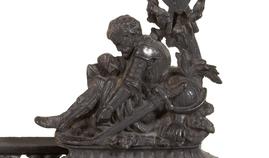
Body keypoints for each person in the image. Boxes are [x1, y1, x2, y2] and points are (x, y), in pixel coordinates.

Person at [35, 15, 170, 133]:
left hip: (144, 107)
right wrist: (107, 60)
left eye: (120, 44)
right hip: (140, 97)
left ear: (130, 36)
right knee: (95, 70)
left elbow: (130, 85)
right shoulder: (144, 44)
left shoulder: (144, 50)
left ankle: (66, 119)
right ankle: (82, 119)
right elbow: (130, 68)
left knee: (101, 84)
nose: (118, 48)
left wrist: (108, 108)